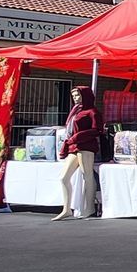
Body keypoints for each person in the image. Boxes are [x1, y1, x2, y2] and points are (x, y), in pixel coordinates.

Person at [53, 86, 103, 221]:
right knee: (63, 177)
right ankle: (66, 208)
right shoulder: (75, 111)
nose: (75, 98)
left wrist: (77, 137)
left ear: (85, 95)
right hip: (74, 146)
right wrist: (72, 140)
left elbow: (98, 130)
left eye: (78, 95)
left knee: (87, 175)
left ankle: (90, 208)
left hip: (86, 146)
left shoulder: (92, 112)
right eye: (74, 96)